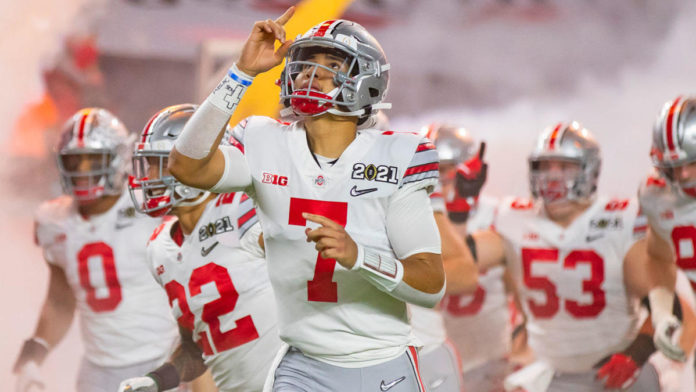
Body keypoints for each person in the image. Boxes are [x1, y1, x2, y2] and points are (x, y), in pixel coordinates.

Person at [168, 8, 448, 391]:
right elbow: (186, 165)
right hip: (303, 367)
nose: (311, 73)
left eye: (331, 63)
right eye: (305, 63)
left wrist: (359, 256)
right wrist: (242, 72)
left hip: (382, 362)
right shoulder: (263, 139)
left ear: (366, 80)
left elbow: (431, 285)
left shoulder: (398, 155)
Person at [470, 122, 694, 391]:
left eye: (564, 167)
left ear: (590, 170)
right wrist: (458, 210)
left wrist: (635, 355)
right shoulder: (515, 219)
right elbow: (458, 259)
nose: (553, 178)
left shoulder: (618, 220)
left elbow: (669, 304)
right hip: (549, 369)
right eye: (545, 166)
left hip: (611, 365)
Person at [117, 104, 281, 392]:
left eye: (163, 162)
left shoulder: (245, 210)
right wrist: (157, 380)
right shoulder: (160, 247)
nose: (151, 176)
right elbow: (197, 347)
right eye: (149, 164)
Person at [13, 108, 179, 392]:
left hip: (160, 360)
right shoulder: (53, 221)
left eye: (93, 159)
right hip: (96, 370)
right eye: (75, 161)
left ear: (119, 158)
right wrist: (33, 355)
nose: (82, 170)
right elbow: (61, 299)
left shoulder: (151, 208)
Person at [423, 123, 518, 391]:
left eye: (442, 169)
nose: (433, 178)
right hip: (428, 359)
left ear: (468, 168)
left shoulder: (498, 216)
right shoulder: (408, 215)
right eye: (426, 169)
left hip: (486, 361)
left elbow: (523, 294)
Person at [638, 95, 696, 390]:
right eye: (673, 166)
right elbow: (658, 257)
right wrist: (661, 313)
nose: (683, 175)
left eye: (692, 163)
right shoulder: (657, 194)